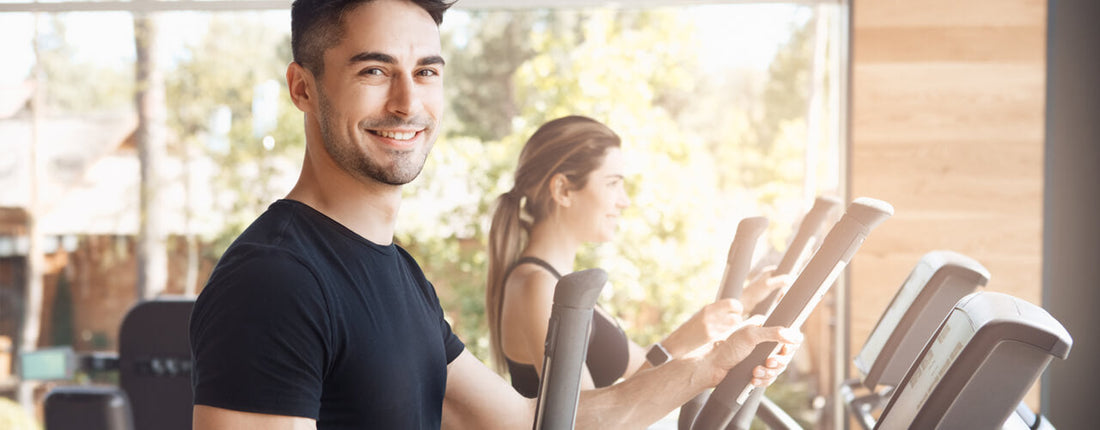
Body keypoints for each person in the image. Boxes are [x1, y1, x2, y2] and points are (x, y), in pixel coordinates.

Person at [189, 0, 802, 429]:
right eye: (374, 71)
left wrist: (712, 366)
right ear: (302, 88)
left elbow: (531, 422)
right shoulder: (276, 280)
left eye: (426, 72)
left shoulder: (398, 273)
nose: (408, 103)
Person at [486, 115, 795, 397]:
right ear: (563, 190)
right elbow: (583, 417)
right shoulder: (537, 287)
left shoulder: (557, 282)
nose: (625, 201)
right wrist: (701, 357)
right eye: (612, 184)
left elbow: (637, 369)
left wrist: (739, 304)